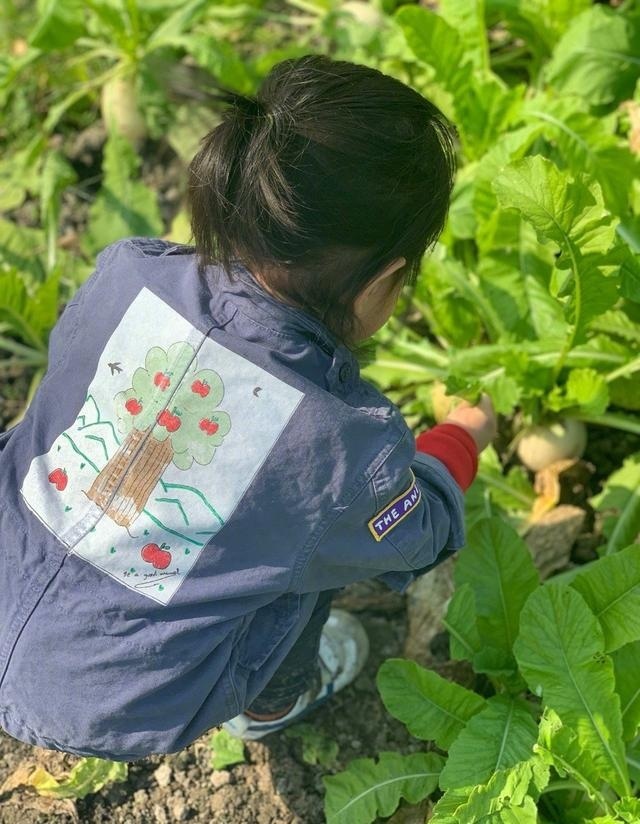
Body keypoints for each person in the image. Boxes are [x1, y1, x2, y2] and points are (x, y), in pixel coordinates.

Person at [0, 54, 496, 760]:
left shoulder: (126, 269)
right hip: (119, 703)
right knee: (313, 551)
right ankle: (273, 699)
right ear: (383, 283)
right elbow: (412, 541)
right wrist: (458, 443)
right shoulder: (342, 446)